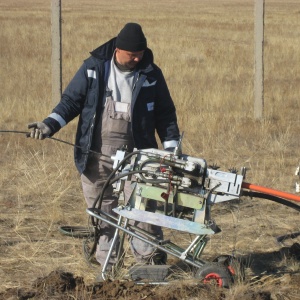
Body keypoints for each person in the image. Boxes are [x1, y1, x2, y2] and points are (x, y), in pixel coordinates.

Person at [28, 22, 180, 275]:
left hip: (138, 156)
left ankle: (149, 265)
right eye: (132, 54)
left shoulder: (151, 74)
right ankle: (109, 267)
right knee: (103, 212)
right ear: (117, 49)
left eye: (140, 54)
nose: (137, 58)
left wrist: (171, 148)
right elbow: (71, 102)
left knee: (142, 209)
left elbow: (166, 114)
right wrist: (49, 125)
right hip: (96, 154)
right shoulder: (94, 68)